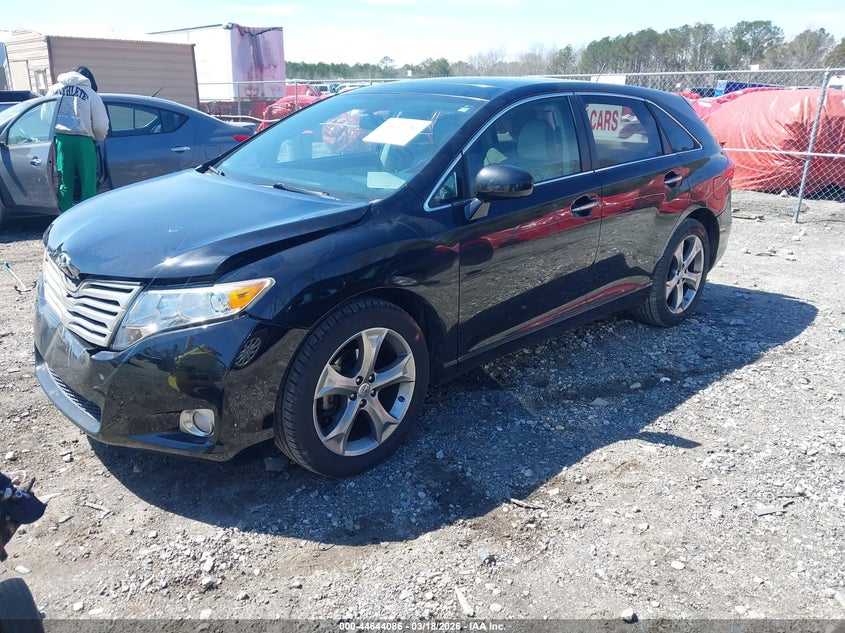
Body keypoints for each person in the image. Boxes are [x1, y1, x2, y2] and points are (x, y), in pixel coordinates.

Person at [48, 66, 109, 212]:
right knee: (88, 182)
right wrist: (99, 138)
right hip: (84, 141)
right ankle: (87, 215)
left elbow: (45, 116)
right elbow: (101, 125)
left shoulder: (53, 90)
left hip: (61, 140)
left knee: (65, 182)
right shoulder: (91, 94)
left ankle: (64, 216)